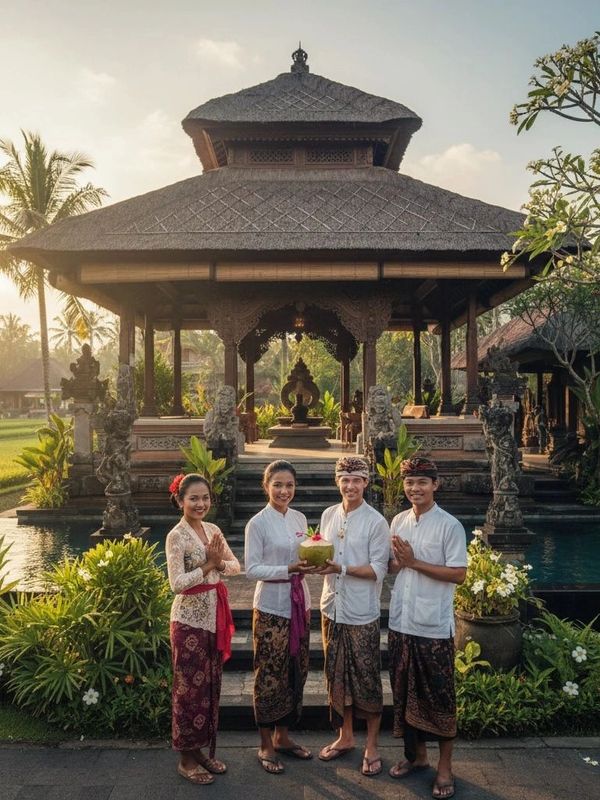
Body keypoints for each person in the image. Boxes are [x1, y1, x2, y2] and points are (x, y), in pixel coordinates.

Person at [387, 456, 467, 800]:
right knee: (404, 693)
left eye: (422, 482)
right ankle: (417, 758)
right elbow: (394, 566)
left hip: (433, 626)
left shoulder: (450, 525)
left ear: (436, 485)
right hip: (401, 622)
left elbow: (459, 574)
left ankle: (445, 768)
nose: (414, 489)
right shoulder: (398, 521)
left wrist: (414, 562)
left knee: (440, 697)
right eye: (409, 483)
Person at [316, 455, 390, 777]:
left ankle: (372, 745)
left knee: (367, 679)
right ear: (337, 482)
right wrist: (315, 562)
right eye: (344, 479)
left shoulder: (376, 522)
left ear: (366, 483)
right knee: (337, 677)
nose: (350, 485)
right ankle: (345, 737)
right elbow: (320, 552)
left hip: (361, 612)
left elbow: (378, 570)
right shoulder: (328, 515)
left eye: (356, 479)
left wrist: (341, 569)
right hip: (331, 607)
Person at [166, 472, 240, 786]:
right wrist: (209, 565)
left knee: (210, 689)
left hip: (214, 618)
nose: (200, 503)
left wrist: (220, 563)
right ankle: (185, 758)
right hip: (188, 621)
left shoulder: (213, 530)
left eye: (205, 498)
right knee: (188, 691)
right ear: (180, 501)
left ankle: (202, 751)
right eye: (193, 498)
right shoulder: (176, 536)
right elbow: (176, 584)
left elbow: (236, 567)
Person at [245, 460, 315, 774]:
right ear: (266, 486)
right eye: (278, 485)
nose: (284, 491)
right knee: (268, 673)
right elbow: (252, 570)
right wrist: (288, 570)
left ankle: (284, 737)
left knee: (294, 671)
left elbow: (307, 553)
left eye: (289, 485)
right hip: (272, 607)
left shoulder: (300, 518)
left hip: (300, 604)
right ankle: (265, 743)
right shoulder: (257, 523)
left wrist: (313, 561)